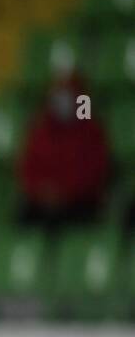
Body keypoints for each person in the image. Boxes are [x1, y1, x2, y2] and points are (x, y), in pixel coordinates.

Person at [17, 73, 111, 230]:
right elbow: (27, 168)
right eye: (58, 94)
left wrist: (64, 193)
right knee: (25, 216)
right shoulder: (40, 129)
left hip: (79, 201)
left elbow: (95, 171)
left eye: (68, 93)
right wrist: (42, 191)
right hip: (43, 201)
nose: (62, 100)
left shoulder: (91, 131)